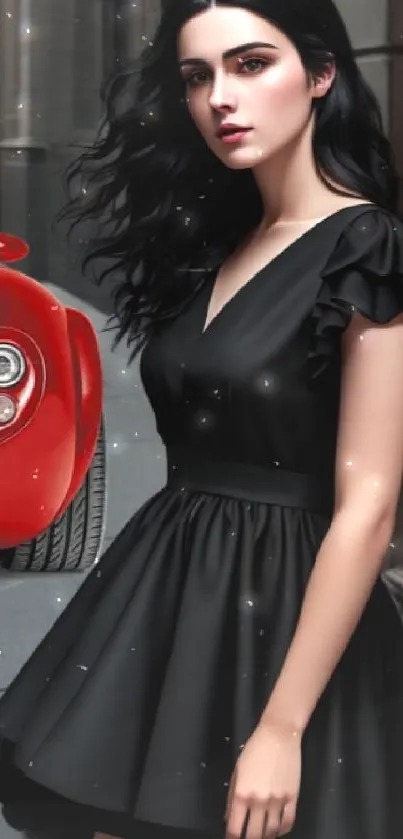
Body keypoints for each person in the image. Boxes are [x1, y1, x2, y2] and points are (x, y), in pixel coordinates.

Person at [1, 0, 403, 838]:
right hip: (170, 582)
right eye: (197, 77)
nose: (220, 96)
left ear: (321, 75)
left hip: (287, 606)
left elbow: (367, 506)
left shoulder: (364, 245)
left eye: (250, 64)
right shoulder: (219, 244)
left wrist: (284, 724)